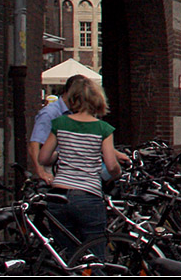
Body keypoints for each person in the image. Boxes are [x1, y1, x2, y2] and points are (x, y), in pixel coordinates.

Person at [37, 77, 122, 258]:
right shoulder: (103, 129)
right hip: (88, 196)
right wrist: (117, 173)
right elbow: (111, 164)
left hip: (58, 196)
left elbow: (43, 158)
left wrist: (60, 155)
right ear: (97, 99)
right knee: (95, 256)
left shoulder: (60, 123)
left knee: (69, 255)